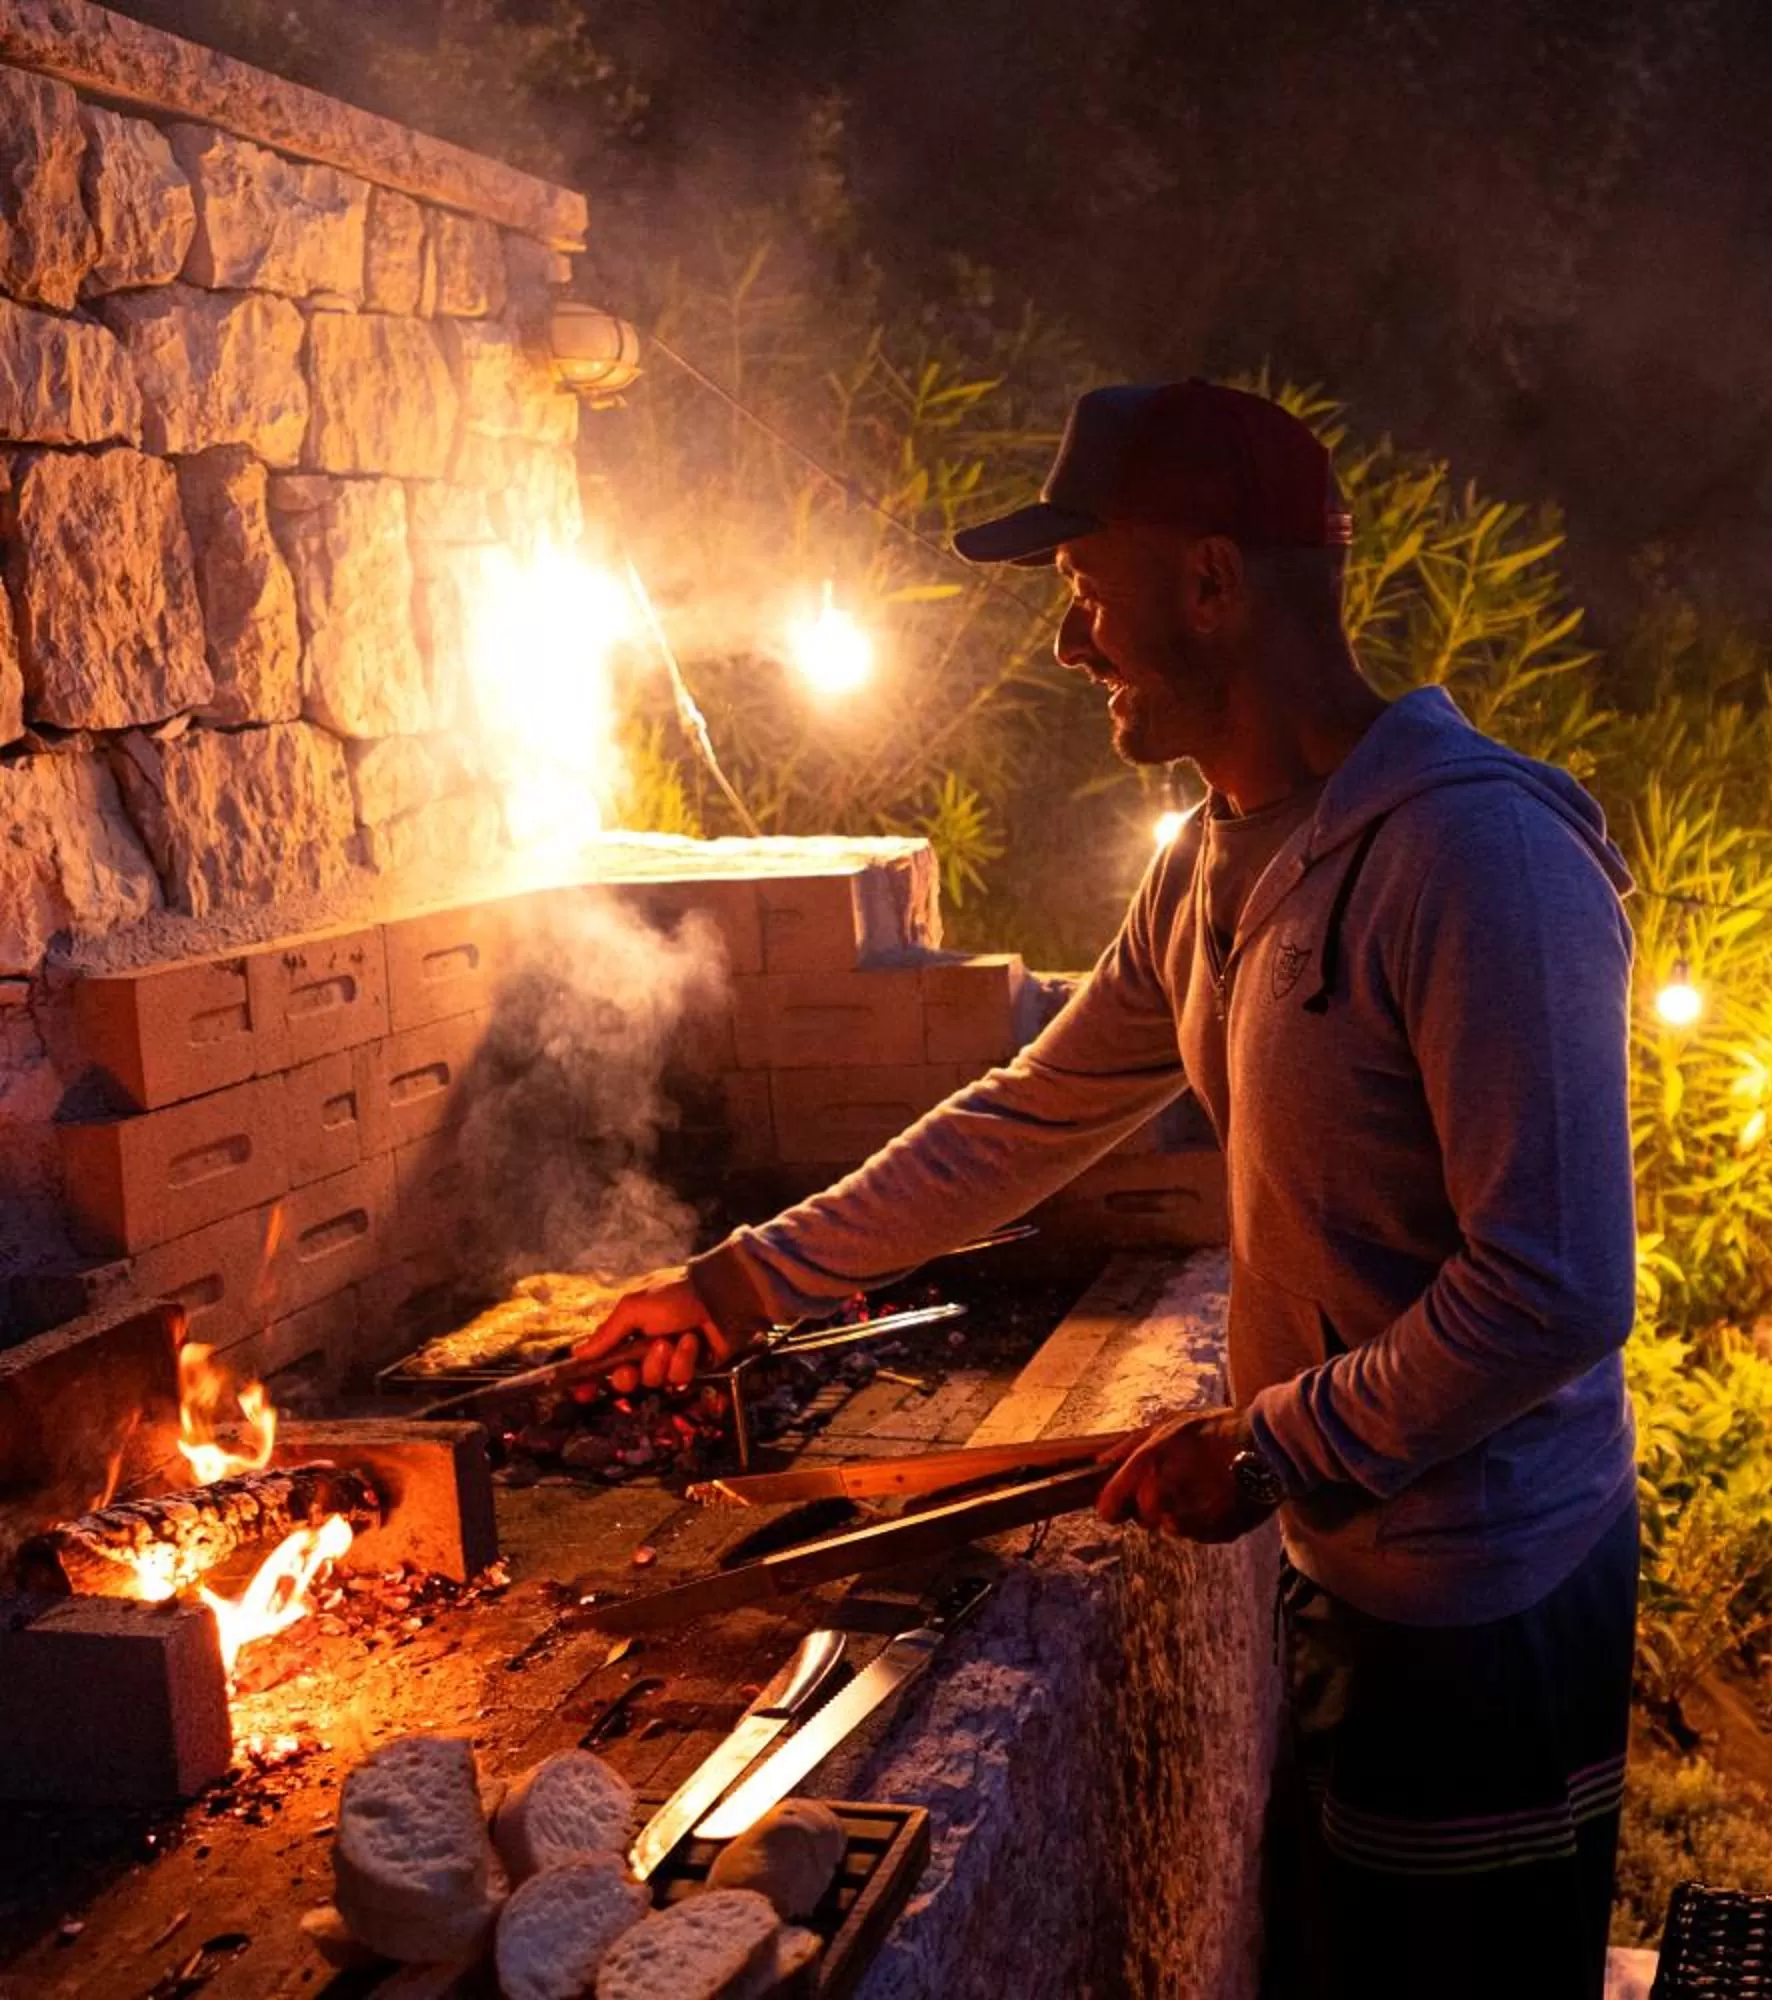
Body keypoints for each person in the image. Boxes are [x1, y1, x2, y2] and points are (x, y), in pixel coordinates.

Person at [573, 380, 1640, 1997]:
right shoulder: (1215, 860)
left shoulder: (1473, 861)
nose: (1072, 645)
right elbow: (1027, 1117)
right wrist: (735, 1288)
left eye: (1088, 590)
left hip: (1489, 1601)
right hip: (1357, 1569)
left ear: (1212, 581)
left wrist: (1271, 1441)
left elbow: (1556, 1287)